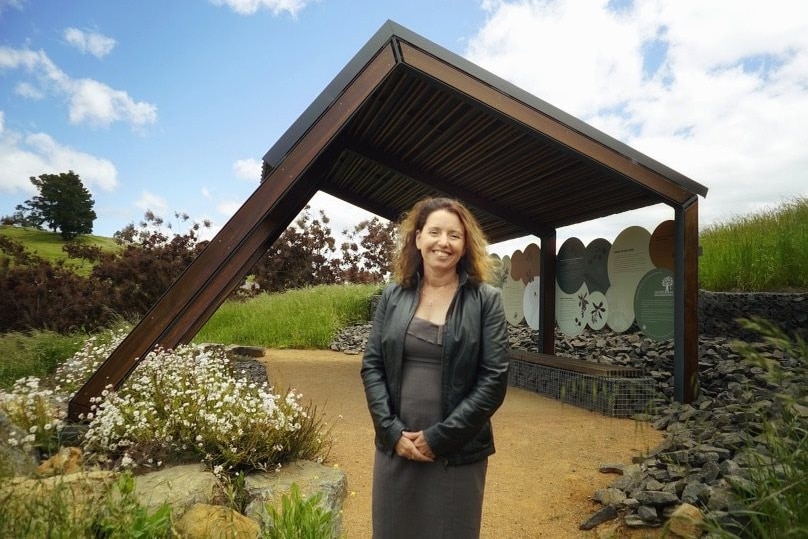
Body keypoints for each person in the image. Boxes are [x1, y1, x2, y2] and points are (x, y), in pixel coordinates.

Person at [361, 197, 510, 538]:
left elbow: (494, 380)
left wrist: (438, 439)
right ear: (417, 239)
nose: (444, 242)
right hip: (396, 445)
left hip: (456, 452)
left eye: (454, 235)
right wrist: (392, 432)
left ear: (465, 245)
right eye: (435, 232)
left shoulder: (486, 300)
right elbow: (372, 366)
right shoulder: (392, 296)